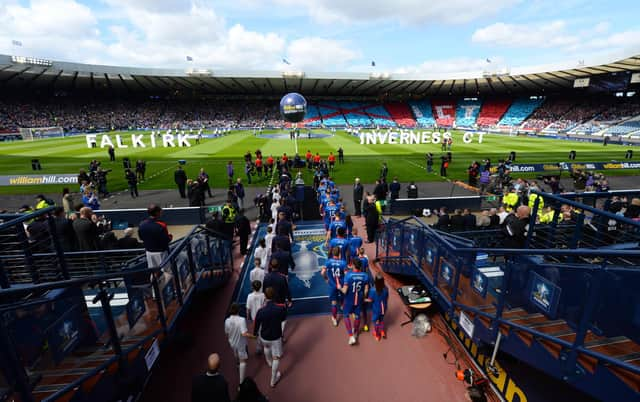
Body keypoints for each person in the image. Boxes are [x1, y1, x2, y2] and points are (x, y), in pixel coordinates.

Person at [253, 287, 287, 388]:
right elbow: (283, 319)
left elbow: (256, 325)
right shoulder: (280, 308)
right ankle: (273, 380)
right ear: (274, 296)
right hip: (276, 337)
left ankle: (269, 362)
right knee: (276, 357)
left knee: (266, 348)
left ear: (265, 296)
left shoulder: (260, 311)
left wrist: (255, 334)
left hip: (264, 336)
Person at [341, 258, 370, 345]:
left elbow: (345, 291)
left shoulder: (348, 275)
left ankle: (351, 336)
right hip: (359, 299)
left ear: (353, 265)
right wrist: (364, 297)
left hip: (349, 299)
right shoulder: (365, 275)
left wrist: (340, 288)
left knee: (346, 316)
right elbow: (366, 289)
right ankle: (355, 332)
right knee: (357, 317)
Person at [225, 303, 255, 384]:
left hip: (232, 343)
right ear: (238, 310)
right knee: (243, 361)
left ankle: (238, 363)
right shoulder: (241, 320)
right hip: (240, 344)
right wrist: (253, 337)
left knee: (236, 354)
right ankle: (241, 383)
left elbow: (227, 333)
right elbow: (244, 333)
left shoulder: (227, 321)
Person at [138, 204, 173, 270]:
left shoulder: (141, 224)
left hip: (149, 252)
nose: (161, 212)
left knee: (153, 272)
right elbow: (166, 240)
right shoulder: (161, 225)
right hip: (161, 252)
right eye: (160, 211)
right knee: (167, 271)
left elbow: (141, 238)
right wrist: (170, 237)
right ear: (157, 212)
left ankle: (153, 280)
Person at [321, 247, 346, 326]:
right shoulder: (343, 263)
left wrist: (326, 279)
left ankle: (334, 319)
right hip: (341, 284)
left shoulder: (328, 262)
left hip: (332, 285)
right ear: (339, 253)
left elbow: (322, 273)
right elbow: (346, 275)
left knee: (334, 303)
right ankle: (342, 306)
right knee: (343, 296)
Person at [366, 273, 389, 341]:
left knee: (376, 321)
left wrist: (364, 299)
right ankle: (382, 332)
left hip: (376, 309)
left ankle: (377, 334)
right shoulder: (386, 289)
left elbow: (370, 300)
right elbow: (387, 297)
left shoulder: (373, 290)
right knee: (381, 320)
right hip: (384, 307)